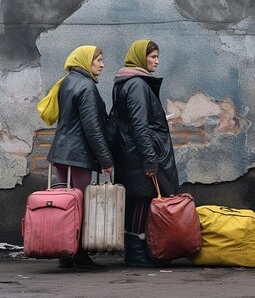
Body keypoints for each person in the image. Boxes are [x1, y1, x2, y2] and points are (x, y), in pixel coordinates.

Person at [42, 45, 113, 269]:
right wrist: (106, 160)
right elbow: (92, 127)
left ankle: (65, 251)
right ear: (85, 61)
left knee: (64, 205)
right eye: (98, 60)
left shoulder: (66, 82)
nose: (102, 64)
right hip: (78, 155)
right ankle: (79, 254)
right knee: (80, 205)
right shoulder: (87, 86)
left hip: (60, 153)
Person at [111, 39, 179, 267]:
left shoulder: (125, 83)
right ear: (141, 57)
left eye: (157, 56)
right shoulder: (137, 85)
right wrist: (150, 160)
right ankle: (138, 255)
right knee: (141, 202)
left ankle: (137, 253)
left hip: (131, 153)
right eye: (152, 57)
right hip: (139, 155)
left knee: (137, 202)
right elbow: (139, 126)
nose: (157, 61)